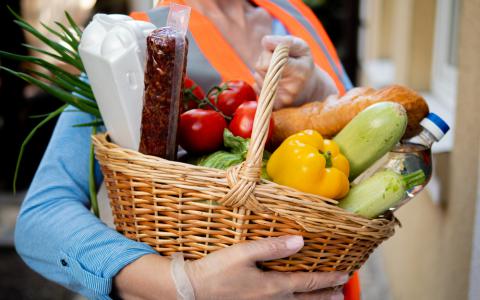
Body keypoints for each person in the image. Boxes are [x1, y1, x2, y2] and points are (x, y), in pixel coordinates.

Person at [15, 0, 357, 299]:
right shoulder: (136, 44)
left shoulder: (296, 19)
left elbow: (375, 145)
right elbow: (42, 217)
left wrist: (318, 90)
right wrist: (181, 284)